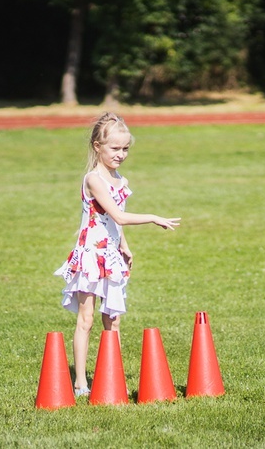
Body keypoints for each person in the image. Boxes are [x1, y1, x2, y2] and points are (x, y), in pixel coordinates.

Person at [54, 113, 180, 396]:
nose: (121, 154)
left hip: (110, 255)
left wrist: (124, 246)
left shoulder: (120, 179)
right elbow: (118, 216)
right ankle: (81, 383)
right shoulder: (93, 179)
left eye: (125, 149)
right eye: (115, 148)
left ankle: (111, 378)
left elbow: (114, 225)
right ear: (97, 146)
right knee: (85, 320)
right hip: (90, 256)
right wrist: (153, 217)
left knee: (113, 319)